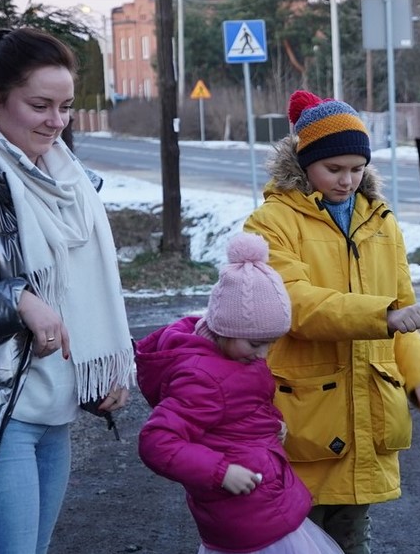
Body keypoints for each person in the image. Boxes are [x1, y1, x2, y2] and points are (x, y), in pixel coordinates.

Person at [243, 90, 420, 554]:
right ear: (304, 161)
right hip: (303, 417)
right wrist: (382, 316)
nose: (347, 180)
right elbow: (292, 304)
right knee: (292, 543)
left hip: (367, 415)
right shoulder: (270, 223)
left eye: (357, 168)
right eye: (334, 169)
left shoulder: (381, 221)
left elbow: (403, 307)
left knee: (352, 542)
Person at [0, 26, 134, 553]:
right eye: (39, 105)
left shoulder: (69, 183)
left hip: (52, 413)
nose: (56, 122)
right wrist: (15, 299)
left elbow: (80, 293)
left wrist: (97, 370)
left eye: (65, 107)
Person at [136, 232, 344, 554]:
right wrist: (220, 472)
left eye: (269, 344)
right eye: (255, 343)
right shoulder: (202, 377)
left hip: (263, 503)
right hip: (242, 517)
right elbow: (157, 441)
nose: (262, 354)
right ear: (224, 328)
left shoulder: (236, 359)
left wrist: (273, 424)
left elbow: (246, 407)